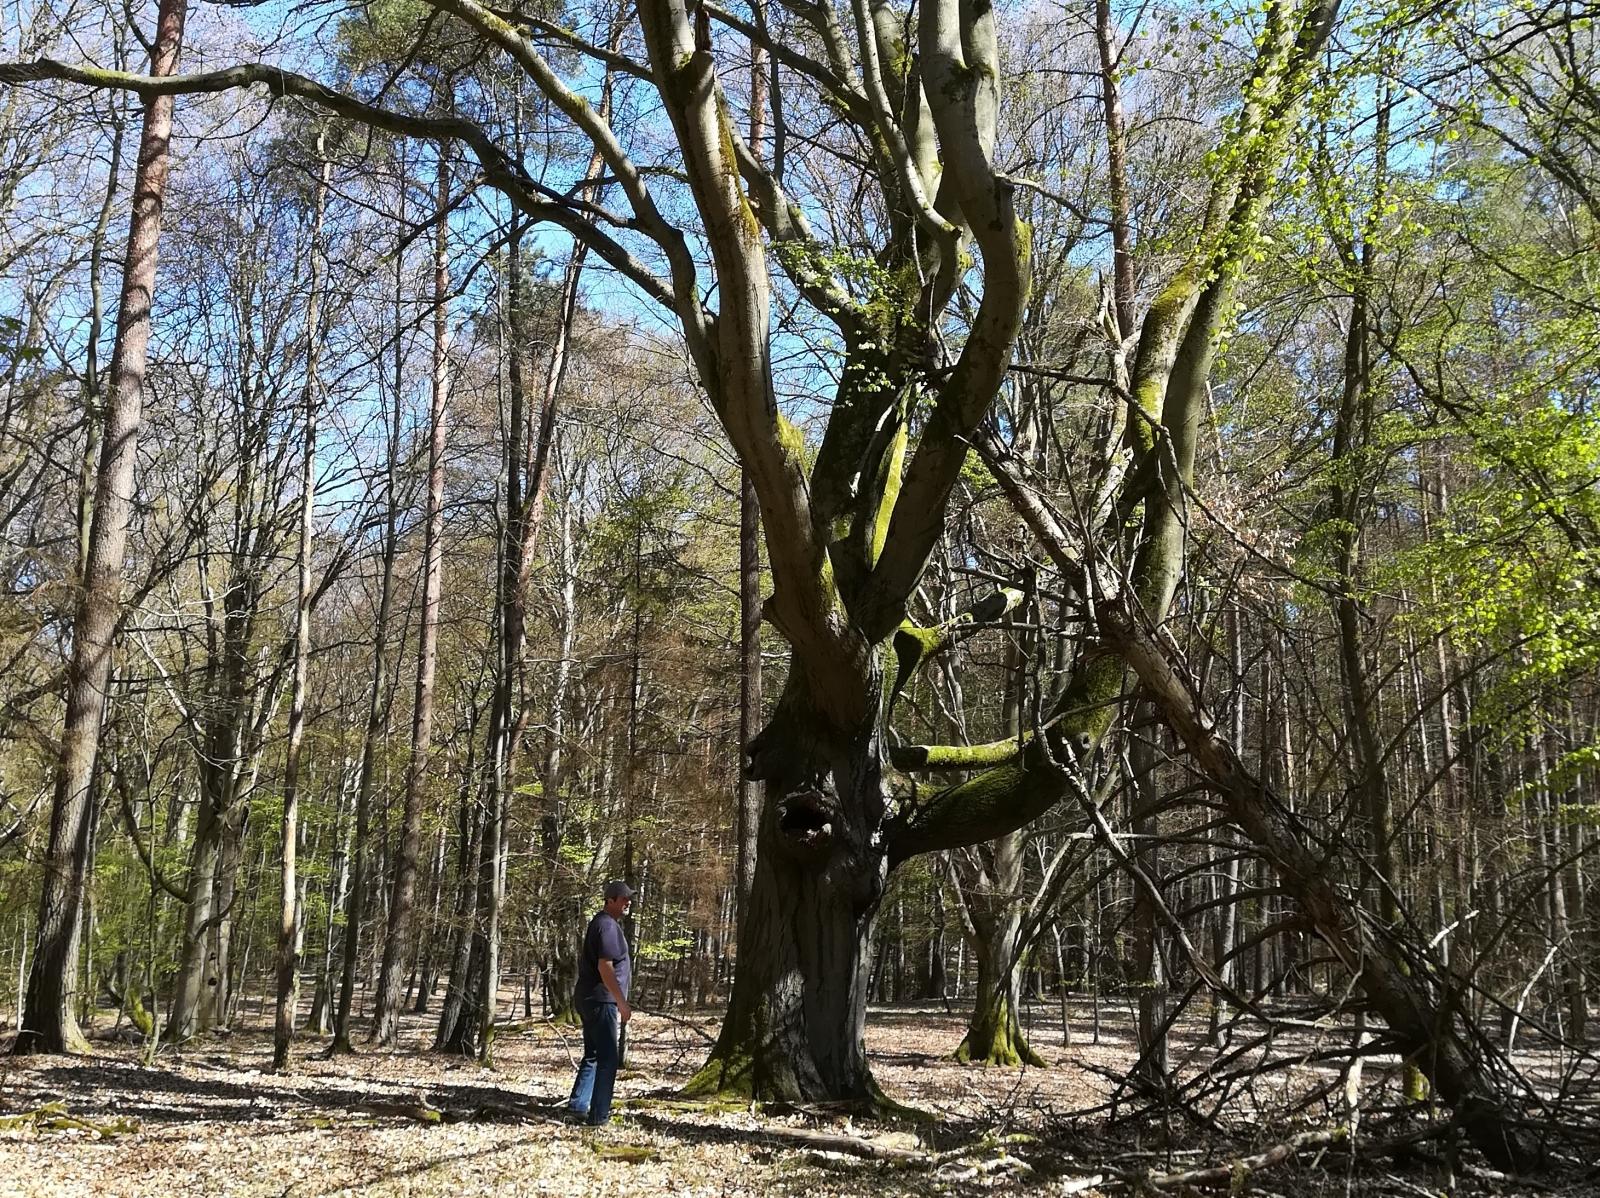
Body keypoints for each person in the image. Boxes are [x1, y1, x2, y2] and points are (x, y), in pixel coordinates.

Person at [568, 879, 633, 1126]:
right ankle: (599, 1116)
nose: (628, 903)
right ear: (611, 900)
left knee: (593, 1055)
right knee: (608, 1059)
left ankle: (577, 1106)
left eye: (629, 898)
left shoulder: (603, 924)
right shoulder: (606, 926)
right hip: (601, 1000)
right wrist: (621, 1002)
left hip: (591, 998)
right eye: (623, 898)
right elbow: (605, 967)